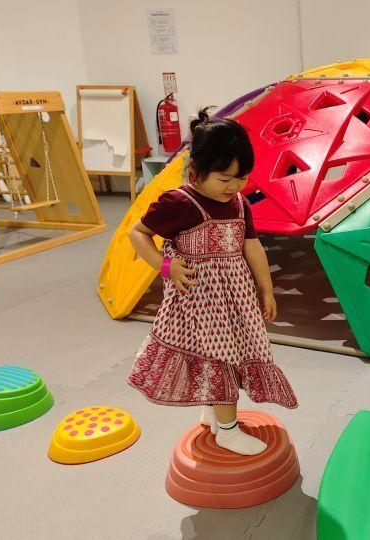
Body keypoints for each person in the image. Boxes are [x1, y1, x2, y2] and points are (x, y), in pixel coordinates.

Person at [126, 108, 297, 455]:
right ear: (196, 171)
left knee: (230, 352)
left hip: (235, 297)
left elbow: (252, 246)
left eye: (242, 177)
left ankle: (214, 411)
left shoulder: (238, 204)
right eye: (224, 178)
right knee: (219, 356)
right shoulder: (179, 202)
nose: (234, 186)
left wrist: (266, 287)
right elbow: (138, 233)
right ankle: (228, 430)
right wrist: (166, 267)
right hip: (199, 299)